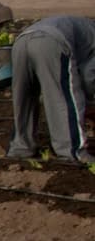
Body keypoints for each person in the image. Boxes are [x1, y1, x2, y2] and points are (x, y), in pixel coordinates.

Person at [6, 15, 95, 164]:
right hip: (52, 41)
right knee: (64, 98)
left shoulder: (85, 26)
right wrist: (89, 102)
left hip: (21, 41)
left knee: (24, 97)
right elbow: (88, 76)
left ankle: (21, 148)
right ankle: (71, 151)